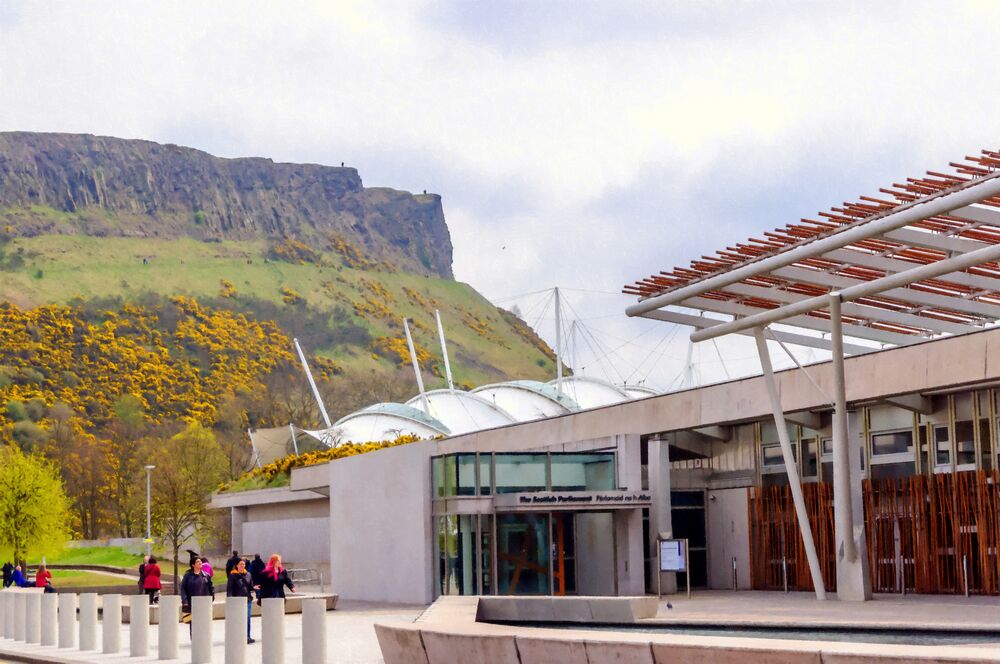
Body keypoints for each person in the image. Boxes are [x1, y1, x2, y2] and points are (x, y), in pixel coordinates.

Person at [179, 554, 215, 636]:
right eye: (197, 561)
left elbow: (211, 587)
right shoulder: (188, 576)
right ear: (193, 565)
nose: (200, 563)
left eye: (200, 561)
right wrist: (185, 600)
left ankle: (203, 637)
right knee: (193, 621)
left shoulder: (206, 575)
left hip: (204, 603)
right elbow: (183, 588)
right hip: (192, 603)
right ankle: (194, 638)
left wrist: (212, 597)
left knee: (204, 621)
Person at [226, 559, 256, 644]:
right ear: (237, 565)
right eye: (241, 564)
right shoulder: (232, 575)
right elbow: (230, 589)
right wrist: (230, 599)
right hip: (237, 601)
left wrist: (254, 587)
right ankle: (238, 636)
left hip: (247, 600)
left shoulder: (248, 574)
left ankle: (247, 636)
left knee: (247, 619)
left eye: (244, 564)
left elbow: (250, 586)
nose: (242, 566)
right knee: (238, 619)